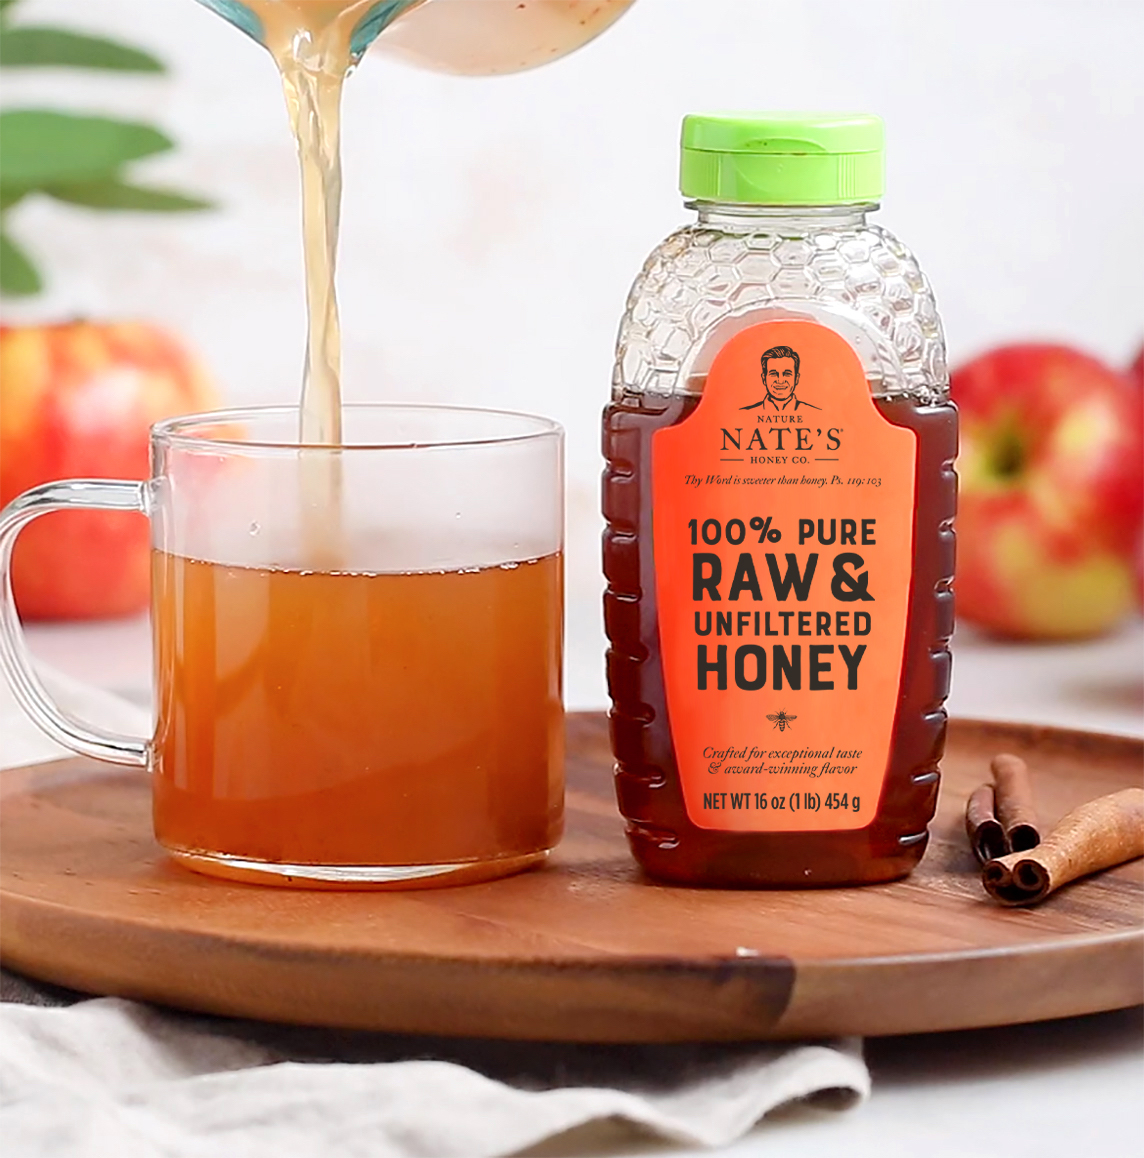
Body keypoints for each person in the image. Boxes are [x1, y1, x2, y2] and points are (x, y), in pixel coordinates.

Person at [740, 345, 819, 412]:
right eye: (773, 374)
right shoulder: (745, 413)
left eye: (787, 374)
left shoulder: (814, 413)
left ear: (796, 378)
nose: (780, 381)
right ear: (764, 378)